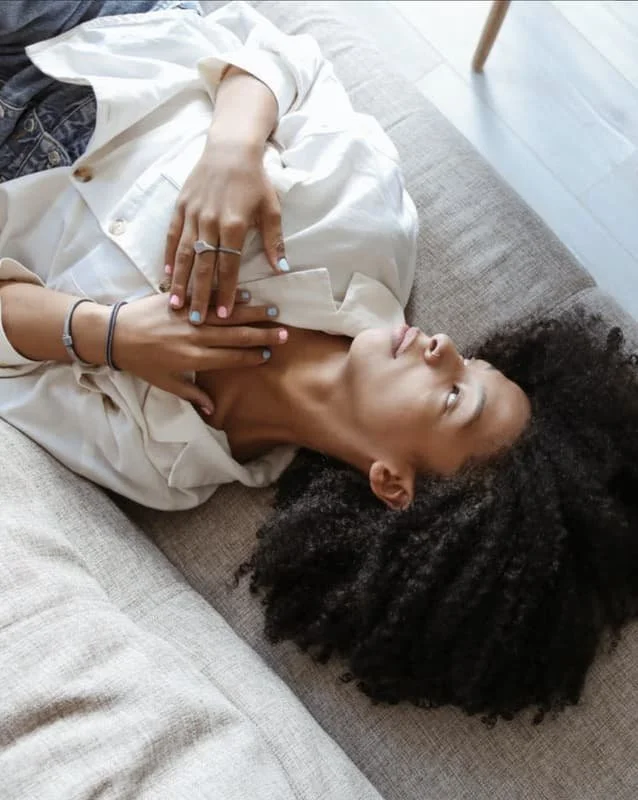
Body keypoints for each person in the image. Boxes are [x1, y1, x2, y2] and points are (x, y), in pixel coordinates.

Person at [0, 2, 636, 726]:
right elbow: (273, 52)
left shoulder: (168, 461)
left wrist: (106, 334)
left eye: (454, 396)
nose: (444, 348)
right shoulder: (367, 237)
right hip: (90, 31)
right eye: (477, 363)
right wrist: (233, 149)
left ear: (392, 481)